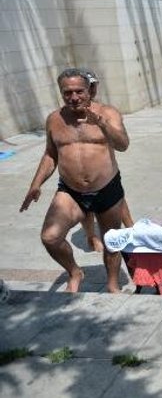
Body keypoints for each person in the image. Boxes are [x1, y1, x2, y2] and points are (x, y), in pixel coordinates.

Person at [20, 67, 130, 293]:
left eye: (79, 91)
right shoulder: (55, 119)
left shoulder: (108, 113)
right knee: (50, 237)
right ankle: (74, 271)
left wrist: (102, 124)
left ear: (89, 90)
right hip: (71, 192)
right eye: (67, 93)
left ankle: (112, 284)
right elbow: (51, 154)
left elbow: (123, 145)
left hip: (106, 188)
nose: (74, 97)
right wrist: (36, 184)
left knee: (111, 243)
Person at [77, 69, 135, 252]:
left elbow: (121, 141)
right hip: (79, 174)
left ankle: (131, 227)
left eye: (94, 86)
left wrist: (103, 123)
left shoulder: (105, 111)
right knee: (85, 207)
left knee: (118, 197)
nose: (92, 89)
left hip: (106, 169)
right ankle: (91, 236)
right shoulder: (71, 112)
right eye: (89, 86)